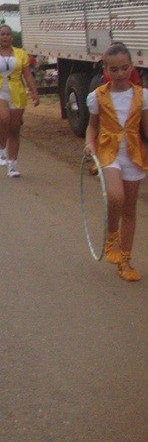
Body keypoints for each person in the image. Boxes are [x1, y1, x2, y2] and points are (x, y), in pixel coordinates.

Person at [84, 42, 144, 282]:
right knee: (116, 196)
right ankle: (111, 237)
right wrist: (89, 143)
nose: (120, 74)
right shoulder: (97, 96)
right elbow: (91, 126)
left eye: (124, 68)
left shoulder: (142, 95)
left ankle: (125, 260)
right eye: (114, 69)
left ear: (132, 66)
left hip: (134, 155)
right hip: (108, 152)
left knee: (130, 210)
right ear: (106, 70)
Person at [0, 24, 39, 177]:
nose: (5, 37)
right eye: (2, 34)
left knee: (14, 129)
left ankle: (12, 165)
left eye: (8, 34)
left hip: (16, 92)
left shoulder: (21, 54)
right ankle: (1, 149)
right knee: (3, 118)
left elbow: (27, 75)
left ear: (12, 37)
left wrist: (34, 92)